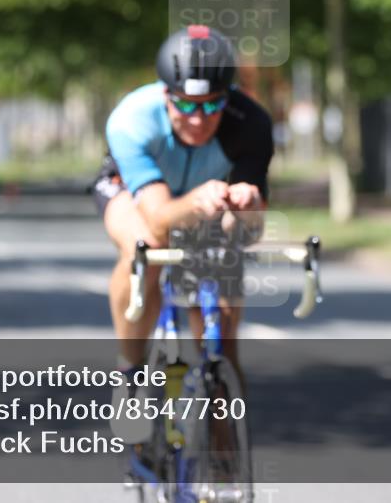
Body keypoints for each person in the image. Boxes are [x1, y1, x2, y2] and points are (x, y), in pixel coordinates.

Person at [94, 25, 274, 376]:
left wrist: (247, 207)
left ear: (229, 95)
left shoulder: (251, 122)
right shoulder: (132, 120)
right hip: (132, 191)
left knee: (225, 261)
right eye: (185, 104)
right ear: (166, 94)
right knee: (146, 247)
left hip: (206, 197)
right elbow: (160, 219)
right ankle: (129, 369)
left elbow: (251, 232)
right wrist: (194, 201)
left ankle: (220, 391)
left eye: (213, 105)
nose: (198, 119)